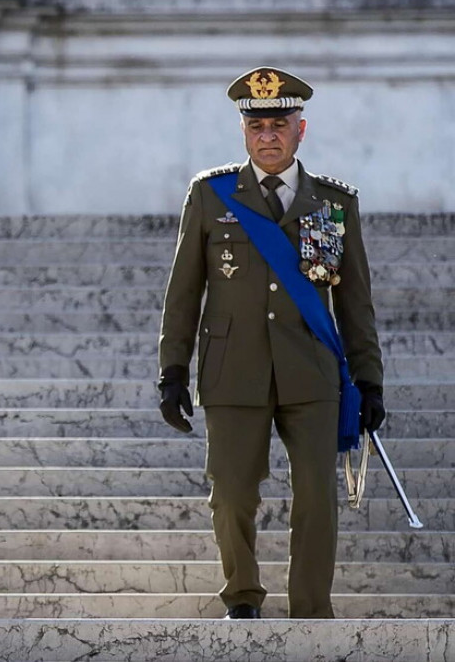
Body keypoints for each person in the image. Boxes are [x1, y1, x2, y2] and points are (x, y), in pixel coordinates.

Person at [157, 67, 385, 619]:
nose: (268, 135)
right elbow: (184, 290)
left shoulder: (334, 203)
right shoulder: (210, 196)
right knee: (232, 493)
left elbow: (355, 300)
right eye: (256, 125)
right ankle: (242, 597)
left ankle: (309, 608)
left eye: (279, 124)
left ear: (300, 130)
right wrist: (172, 370)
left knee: (316, 498)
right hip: (233, 368)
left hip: (311, 370)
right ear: (243, 132)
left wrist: (369, 378)